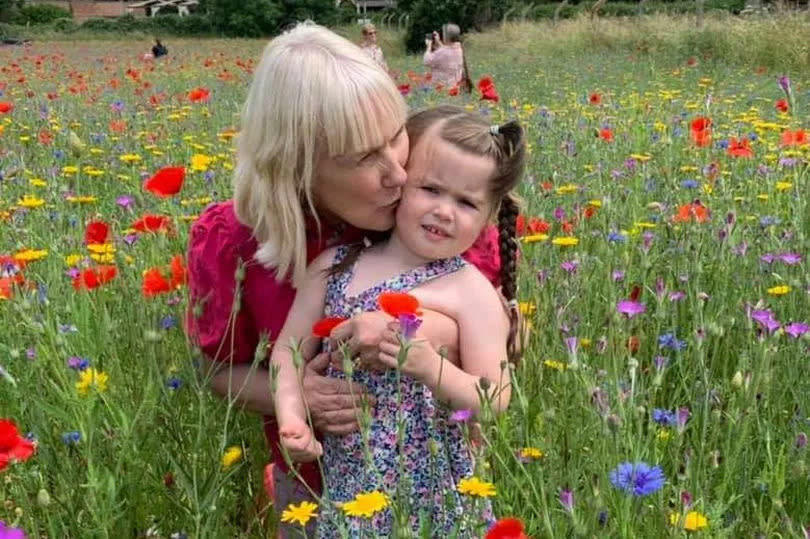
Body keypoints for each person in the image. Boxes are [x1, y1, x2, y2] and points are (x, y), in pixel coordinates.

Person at [185, 24, 504, 538]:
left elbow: (503, 342)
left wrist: (425, 336)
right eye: (362, 158)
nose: (397, 174)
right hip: (316, 489)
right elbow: (213, 371)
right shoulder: (231, 240)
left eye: (395, 137)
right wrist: (295, 397)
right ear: (296, 167)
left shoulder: (434, 208)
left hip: (441, 489)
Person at [272, 104, 526, 537]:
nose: (445, 211)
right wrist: (292, 415)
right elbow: (287, 351)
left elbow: (496, 396)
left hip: (434, 493)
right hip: (351, 484)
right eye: (431, 188)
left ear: (488, 215)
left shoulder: (471, 291)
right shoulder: (335, 266)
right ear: (401, 182)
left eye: (466, 202)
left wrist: (429, 366)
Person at [423, 23, 472, 91]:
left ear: (446, 36)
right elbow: (447, 52)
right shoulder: (459, 49)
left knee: (420, 89)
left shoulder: (442, 52)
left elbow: (427, 61)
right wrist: (439, 42)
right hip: (455, 88)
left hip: (441, 88)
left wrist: (429, 45)